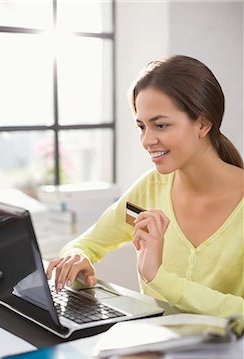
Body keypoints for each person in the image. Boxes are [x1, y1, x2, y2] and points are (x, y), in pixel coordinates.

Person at [46, 55, 244, 326]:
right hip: (148, 355)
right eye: (142, 126)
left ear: (202, 124)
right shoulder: (149, 189)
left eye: (160, 125)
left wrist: (158, 278)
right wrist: (77, 256)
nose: (147, 140)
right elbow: (88, 242)